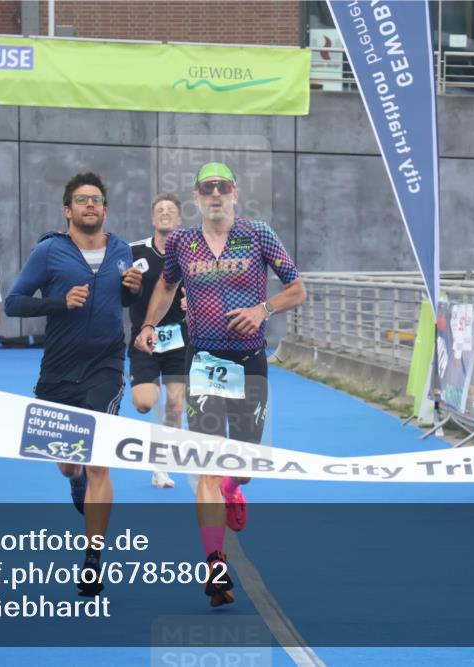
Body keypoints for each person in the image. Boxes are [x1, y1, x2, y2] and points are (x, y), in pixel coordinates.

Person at [135, 162, 306, 607]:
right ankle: (215, 563)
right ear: (196, 197)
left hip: (249, 361)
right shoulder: (182, 242)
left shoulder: (258, 234)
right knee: (208, 465)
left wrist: (263, 310)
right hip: (204, 363)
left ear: (234, 194)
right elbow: (166, 287)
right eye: (207, 188)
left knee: (243, 466)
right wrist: (149, 324)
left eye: (222, 187)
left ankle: (234, 487)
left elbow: (298, 289)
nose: (215, 194)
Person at [5, 171, 141, 596]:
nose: (90, 205)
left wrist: (133, 290)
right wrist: (59, 303)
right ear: (68, 210)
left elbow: (124, 301)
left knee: (99, 460)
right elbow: (14, 303)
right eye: (82, 199)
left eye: (96, 199)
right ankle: (74, 480)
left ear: (105, 209)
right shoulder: (49, 251)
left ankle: (93, 559)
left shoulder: (121, 250)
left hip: (106, 365)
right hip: (60, 369)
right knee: (69, 463)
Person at [128, 192, 187, 489]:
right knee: (144, 402)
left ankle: (161, 466)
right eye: (160, 209)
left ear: (179, 218)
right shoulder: (133, 251)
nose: (165, 213)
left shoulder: (192, 254)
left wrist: (194, 303)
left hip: (180, 339)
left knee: (175, 406)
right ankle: (157, 429)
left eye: (170, 210)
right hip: (144, 339)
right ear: (153, 217)